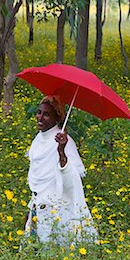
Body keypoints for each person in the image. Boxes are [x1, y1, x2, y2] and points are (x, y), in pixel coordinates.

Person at [24, 95, 98, 245]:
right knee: (33, 246)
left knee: (53, 246)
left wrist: (61, 151)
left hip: (56, 204)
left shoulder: (65, 141)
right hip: (37, 201)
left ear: (56, 118)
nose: (40, 117)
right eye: (39, 112)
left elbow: (73, 175)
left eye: (46, 114)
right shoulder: (38, 139)